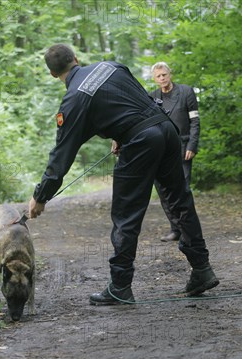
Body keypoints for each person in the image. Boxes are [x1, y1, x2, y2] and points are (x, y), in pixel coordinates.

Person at [28, 44, 219, 305]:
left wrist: (41, 196)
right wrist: (122, 133)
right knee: (179, 200)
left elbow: (62, 154)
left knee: (126, 214)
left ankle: (120, 286)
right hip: (167, 130)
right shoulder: (110, 66)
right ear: (76, 58)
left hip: (141, 142)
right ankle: (202, 269)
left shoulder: (73, 99)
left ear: (52, 74)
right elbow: (140, 97)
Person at [149, 62, 201, 242]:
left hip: (183, 147)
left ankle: (188, 230)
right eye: (158, 76)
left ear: (170, 74)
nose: (162, 78)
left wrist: (192, 145)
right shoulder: (151, 97)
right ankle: (175, 228)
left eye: (164, 74)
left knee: (183, 189)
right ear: (154, 79)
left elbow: (195, 121)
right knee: (163, 191)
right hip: (161, 150)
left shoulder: (186, 92)